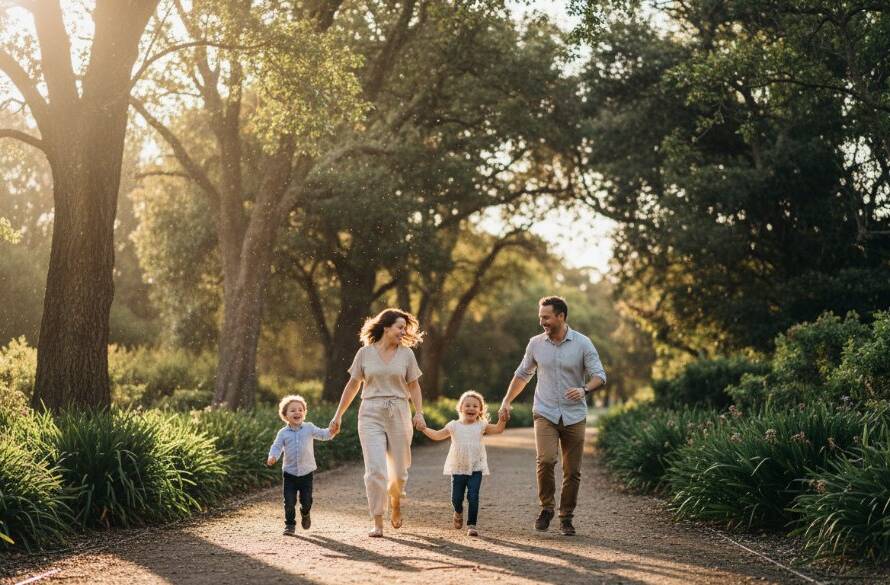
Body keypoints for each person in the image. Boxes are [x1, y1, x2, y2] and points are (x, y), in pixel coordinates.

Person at [499, 296, 606, 536]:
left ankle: (566, 516)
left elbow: (600, 375)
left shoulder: (583, 343)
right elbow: (522, 374)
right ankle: (546, 508)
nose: (542, 322)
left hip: (574, 414)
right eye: (540, 317)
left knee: (572, 470)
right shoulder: (535, 344)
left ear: (561, 316)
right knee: (546, 460)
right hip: (545, 411)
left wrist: (585, 389)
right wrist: (507, 400)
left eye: (546, 317)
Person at [328, 309, 426, 537]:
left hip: (399, 412)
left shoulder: (407, 355)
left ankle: (395, 500)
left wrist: (418, 412)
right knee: (375, 470)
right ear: (386, 327)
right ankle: (378, 521)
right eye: (400, 327)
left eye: (405, 328)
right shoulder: (364, 353)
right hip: (370, 412)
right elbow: (353, 385)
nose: (404, 332)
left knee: (399, 473)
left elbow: (414, 386)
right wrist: (338, 414)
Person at [420, 390, 507, 537]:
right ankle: (458, 511)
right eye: (467, 405)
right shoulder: (454, 426)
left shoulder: (481, 425)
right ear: (460, 408)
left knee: (473, 496)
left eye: (475, 406)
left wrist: (503, 419)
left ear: (480, 410)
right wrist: (423, 429)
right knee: (456, 498)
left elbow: (498, 429)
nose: (471, 408)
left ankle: (472, 525)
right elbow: (437, 435)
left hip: (476, 467)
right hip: (459, 467)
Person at [267, 394, 337, 536]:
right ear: (285, 415)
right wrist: (272, 456)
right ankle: (290, 525)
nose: (297, 412)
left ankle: (305, 513)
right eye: (292, 410)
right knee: (289, 501)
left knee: (306, 500)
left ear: (304, 413)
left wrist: (331, 432)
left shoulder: (309, 428)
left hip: (306, 473)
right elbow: (276, 446)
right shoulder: (283, 433)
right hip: (289, 474)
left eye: (300, 409)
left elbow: (323, 434)